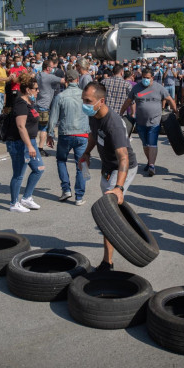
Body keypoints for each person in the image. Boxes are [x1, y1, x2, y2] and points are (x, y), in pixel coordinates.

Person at [80, 82, 138, 271]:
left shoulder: (113, 123)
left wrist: (119, 188)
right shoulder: (94, 115)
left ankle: (108, 263)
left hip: (122, 169)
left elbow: (124, 158)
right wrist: (87, 152)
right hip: (107, 167)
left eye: (88, 101)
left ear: (101, 101)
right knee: (112, 210)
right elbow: (94, 136)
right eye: (83, 100)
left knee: (109, 214)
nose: (84, 104)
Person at [119, 68, 176, 177]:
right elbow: (128, 101)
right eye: (143, 77)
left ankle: (151, 165)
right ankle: (149, 161)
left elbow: (169, 99)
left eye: (147, 78)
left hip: (154, 121)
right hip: (140, 122)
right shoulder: (136, 88)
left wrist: (176, 111)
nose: (145, 79)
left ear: (152, 78)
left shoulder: (159, 88)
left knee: (152, 143)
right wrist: (121, 112)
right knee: (145, 144)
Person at [47, 69, 90, 205]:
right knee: (81, 164)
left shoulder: (60, 96)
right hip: (82, 133)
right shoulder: (85, 95)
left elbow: (53, 117)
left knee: (61, 160)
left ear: (66, 80)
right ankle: (79, 196)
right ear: (78, 79)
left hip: (65, 133)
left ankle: (66, 189)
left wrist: (50, 134)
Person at [5, 71, 44, 213]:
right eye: (35, 89)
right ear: (28, 90)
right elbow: (21, 127)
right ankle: (14, 203)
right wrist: (29, 145)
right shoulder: (21, 104)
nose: (38, 91)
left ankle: (27, 198)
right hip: (19, 143)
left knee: (39, 169)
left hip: (31, 142)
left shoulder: (29, 102)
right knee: (19, 174)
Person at [35, 59, 65, 156]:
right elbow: (63, 80)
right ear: (48, 68)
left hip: (36, 103)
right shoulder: (49, 77)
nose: (53, 69)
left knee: (34, 127)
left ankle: (31, 146)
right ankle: (40, 148)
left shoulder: (38, 75)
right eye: (52, 67)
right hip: (44, 105)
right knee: (43, 128)